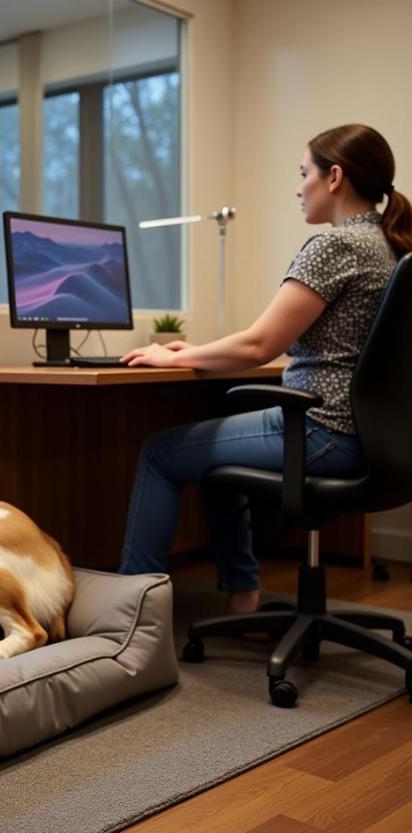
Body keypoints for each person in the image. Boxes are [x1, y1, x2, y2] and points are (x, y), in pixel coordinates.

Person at [117, 124, 412, 614]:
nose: (299, 188)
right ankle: (243, 593)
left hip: (322, 432)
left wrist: (175, 354)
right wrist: (194, 353)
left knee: (158, 453)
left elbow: (258, 345)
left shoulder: (336, 246)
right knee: (216, 463)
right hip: (372, 439)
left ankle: (128, 613)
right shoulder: (389, 245)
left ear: (334, 176)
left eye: (304, 174)